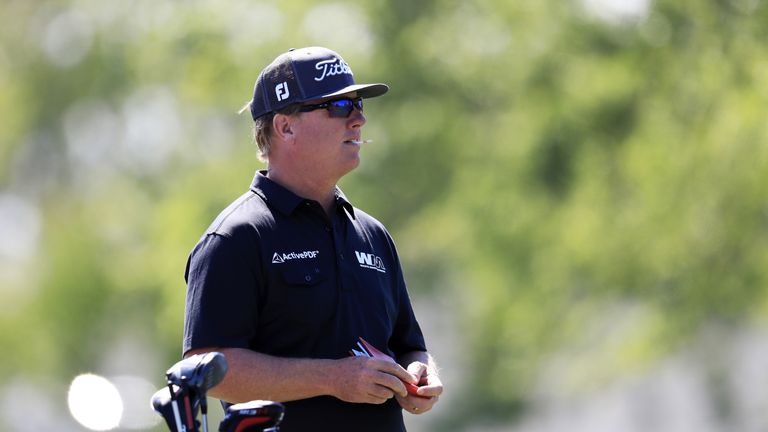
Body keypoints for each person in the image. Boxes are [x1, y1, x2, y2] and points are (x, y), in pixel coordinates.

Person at [182, 46, 443, 431]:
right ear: (285, 127)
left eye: (358, 104)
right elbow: (208, 368)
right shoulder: (237, 237)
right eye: (338, 106)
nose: (359, 119)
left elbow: (409, 345)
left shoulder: (373, 235)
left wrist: (421, 374)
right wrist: (333, 378)